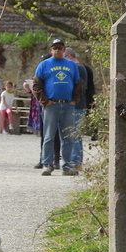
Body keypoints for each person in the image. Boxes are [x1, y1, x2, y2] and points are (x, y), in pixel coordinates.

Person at [32, 39, 83, 176]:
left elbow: (78, 83)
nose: (58, 50)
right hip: (51, 105)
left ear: (64, 50)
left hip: (67, 105)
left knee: (68, 137)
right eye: (55, 48)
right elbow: (36, 85)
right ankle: (47, 164)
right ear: (51, 50)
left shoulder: (72, 65)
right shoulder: (44, 65)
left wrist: (75, 100)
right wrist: (44, 101)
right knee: (49, 136)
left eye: (60, 48)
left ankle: (66, 165)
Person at [64, 47, 88, 169]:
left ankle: (76, 161)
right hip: (77, 105)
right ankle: (75, 160)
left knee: (74, 134)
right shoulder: (80, 67)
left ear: (68, 57)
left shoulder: (77, 68)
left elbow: (81, 87)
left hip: (77, 105)